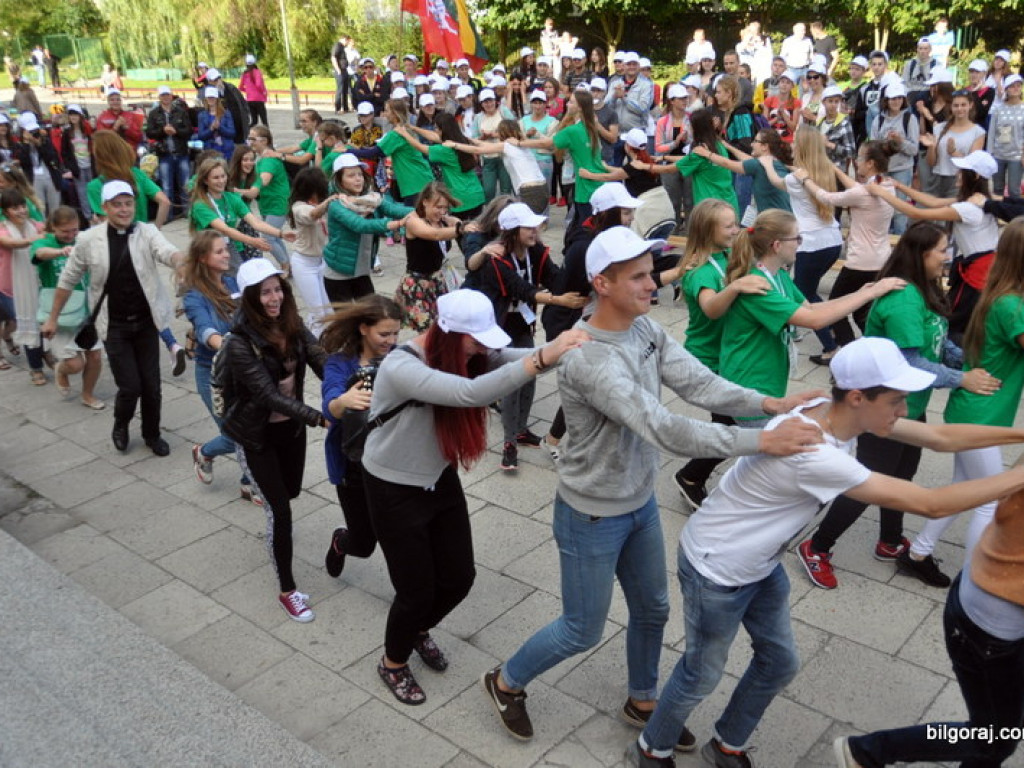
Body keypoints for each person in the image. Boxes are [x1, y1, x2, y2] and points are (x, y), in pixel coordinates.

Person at [483, 225, 828, 746]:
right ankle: (506, 681)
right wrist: (762, 441)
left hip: (638, 501)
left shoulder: (643, 327)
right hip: (591, 512)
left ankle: (642, 701)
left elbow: (697, 381)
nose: (654, 284)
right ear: (602, 283)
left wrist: (767, 403)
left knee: (653, 609)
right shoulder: (591, 358)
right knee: (582, 628)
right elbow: (664, 427)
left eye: (651, 273)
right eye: (639, 277)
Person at [627, 336, 1024, 768]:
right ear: (857, 397)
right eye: (896, 401)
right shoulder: (816, 453)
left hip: (759, 562)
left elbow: (940, 437)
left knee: (779, 663)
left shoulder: (832, 410)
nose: (904, 411)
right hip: (718, 569)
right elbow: (930, 503)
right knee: (701, 673)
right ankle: (652, 749)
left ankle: (726, 745)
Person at [362, 288, 588, 704]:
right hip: (393, 486)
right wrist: (544, 357)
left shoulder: (468, 354)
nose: (484, 348)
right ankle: (392, 662)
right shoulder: (401, 365)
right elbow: (470, 393)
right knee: (415, 591)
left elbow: (516, 358)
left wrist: (568, 347)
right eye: (476, 340)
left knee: (459, 578)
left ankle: (417, 630)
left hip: (438, 476)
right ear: (448, 334)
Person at [797, 223, 999, 591]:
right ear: (921, 255)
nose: (948, 257)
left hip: (907, 403)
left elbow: (934, 343)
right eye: (942, 250)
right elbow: (912, 363)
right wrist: (962, 379)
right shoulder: (904, 298)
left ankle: (890, 541)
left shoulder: (923, 289)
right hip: (878, 407)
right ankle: (817, 547)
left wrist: (964, 360)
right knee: (867, 482)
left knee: (902, 474)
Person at [42, 181, 185, 455]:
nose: (124, 209)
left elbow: (167, 251)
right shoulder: (89, 239)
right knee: (130, 386)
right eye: (117, 204)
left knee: (152, 386)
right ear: (105, 207)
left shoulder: (146, 232)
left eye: (128, 203)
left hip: (146, 322)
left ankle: (152, 434)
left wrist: (180, 262)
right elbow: (68, 279)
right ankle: (121, 424)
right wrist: (52, 318)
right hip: (114, 325)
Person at [220, 258, 327, 622]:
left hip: (290, 430)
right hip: (256, 436)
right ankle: (288, 590)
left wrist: (348, 384)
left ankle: (271, 509)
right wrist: (319, 417)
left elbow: (320, 359)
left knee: (290, 492)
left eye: (277, 289)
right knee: (280, 511)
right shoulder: (239, 342)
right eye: (265, 292)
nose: (274, 298)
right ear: (250, 297)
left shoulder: (292, 325)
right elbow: (267, 395)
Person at [718, 209, 903, 414]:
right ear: (777, 245)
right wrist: (869, 294)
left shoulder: (779, 275)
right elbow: (814, 320)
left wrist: (860, 294)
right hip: (748, 383)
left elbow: (811, 308)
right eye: (797, 238)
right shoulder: (758, 287)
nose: (800, 243)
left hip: (765, 379)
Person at [672, 199, 772, 509]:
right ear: (707, 230)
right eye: (728, 226)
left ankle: (694, 476)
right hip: (709, 361)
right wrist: (737, 287)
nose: (736, 229)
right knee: (732, 427)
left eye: (736, 223)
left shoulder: (728, 255)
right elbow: (712, 309)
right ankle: (690, 477)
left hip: (730, 356)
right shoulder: (699, 271)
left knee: (729, 426)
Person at [475, 203, 586, 470]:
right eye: (528, 227)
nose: (535, 231)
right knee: (513, 381)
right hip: (501, 324)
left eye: (535, 226)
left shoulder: (534, 250)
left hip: (523, 322)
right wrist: (559, 300)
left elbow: (555, 277)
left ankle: (522, 429)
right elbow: (522, 289)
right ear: (512, 231)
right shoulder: (496, 258)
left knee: (530, 375)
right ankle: (509, 443)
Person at [867, 150, 1000, 342]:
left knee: (955, 323)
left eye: (962, 170)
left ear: (975, 176)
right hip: (983, 269)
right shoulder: (977, 200)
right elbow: (933, 201)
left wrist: (881, 193)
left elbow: (916, 213)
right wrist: (899, 186)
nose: (957, 173)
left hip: (976, 274)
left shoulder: (969, 208)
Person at [319, 295, 402, 578]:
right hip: (353, 466)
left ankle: (408, 593)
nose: (391, 341)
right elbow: (329, 406)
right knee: (364, 543)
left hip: (391, 460)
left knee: (397, 534)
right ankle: (341, 542)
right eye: (384, 334)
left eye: (395, 333)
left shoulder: (400, 357)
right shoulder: (340, 364)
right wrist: (343, 401)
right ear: (364, 328)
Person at [182, 230, 261, 506]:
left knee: (254, 429)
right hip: (213, 373)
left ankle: (248, 482)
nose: (227, 255)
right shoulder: (193, 296)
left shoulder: (231, 282)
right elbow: (205, 329)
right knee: (235, 436)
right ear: (203, 258)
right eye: (219, 251)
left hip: (241, 370)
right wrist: (229, 345)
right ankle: (205, 452)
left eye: (226, 249)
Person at [799, 140, 896, 353]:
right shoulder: (887, 186)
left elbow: (826, 197)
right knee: (862, 312)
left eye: (860, 158)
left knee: (836, 309)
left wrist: (805, 179)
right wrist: (833, 168)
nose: (856, 162)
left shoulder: (863, 194)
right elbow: (857, 189)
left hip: (860, 262)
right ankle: (876, 352)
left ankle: (850, 352)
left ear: (870, 163)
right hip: (880, 259)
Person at [29, 206, 103, 404]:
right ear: (53, 227)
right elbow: (40, 253)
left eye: (74, 230)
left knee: (95, 356)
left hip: (87, 310)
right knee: (75, 364)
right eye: (65, 231)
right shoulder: (44, 242)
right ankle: (61, 369)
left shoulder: (83, 240)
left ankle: (87, 394)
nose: (70, 235)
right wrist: (60, 252)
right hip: (59, 314)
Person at [322, 154, 411, 303]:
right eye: (351, 175)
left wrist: (422, 210)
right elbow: (359, 225)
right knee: (348, 316)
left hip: (361, 269)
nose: (358, 179)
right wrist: (393, 224)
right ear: (339, 180)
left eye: (359, 174)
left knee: (371, 312)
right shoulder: (337, 205)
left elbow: (393, 209)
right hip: (339, 272)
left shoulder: (371, 199)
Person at [189, 157, 287, 272]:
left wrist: (281, 233)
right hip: (209, 252)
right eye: (216, 178)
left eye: (223, 176)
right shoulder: (200, 205)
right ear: (206, 181)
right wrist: (253, 241)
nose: (221, 181)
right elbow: (225, 230)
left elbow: (255, 222)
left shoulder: (231, 198)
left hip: (231, 247)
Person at [394, 182, 464, 330]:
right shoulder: (414, 221)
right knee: (428, 331)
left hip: (438, 280)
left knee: (445, 328)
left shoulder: (444, 221)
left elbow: (456, 223)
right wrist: (461, 229)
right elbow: (435, 234)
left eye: (445, 207)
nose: (442, 212)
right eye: (438, 207)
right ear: (425, 202)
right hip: (418, 285)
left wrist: (459, 223)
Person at [0, 189, 46, 385]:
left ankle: (43, 354)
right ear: (6, 211)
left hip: (38, 283)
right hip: (9, 288)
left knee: (40, 322)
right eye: (15, 208)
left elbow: (52, 231)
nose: (21, 211)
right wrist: (35, 239)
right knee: (26, 323)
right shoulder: (2, 230)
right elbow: (13, 243)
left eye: (22, 206)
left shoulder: (36, 225)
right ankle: (36, 368)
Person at [286, 167, 334, 337]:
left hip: (321, 262)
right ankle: (313, 345)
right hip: (304, 264)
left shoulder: (319, 204)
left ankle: (315, 339)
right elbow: (312, 215)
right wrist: (328, 201)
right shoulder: (299, 207)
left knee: (329, 312)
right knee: (318, 313)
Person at [869, 83, 919, 234]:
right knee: (881, 207)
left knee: (899, 210)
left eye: (899, 98)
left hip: (902, 169)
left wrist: (900, 141)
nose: (896, 101)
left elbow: (914, 149)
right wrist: (885, 144)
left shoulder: (909, 119)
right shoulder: (878, 120)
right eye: (892, 98)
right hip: (883, 169)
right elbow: (873, 146)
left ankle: (899, 239)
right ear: (886, 100)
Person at [921, 89, 986, 199]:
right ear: (951, 107)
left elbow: (972, 165)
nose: (959, 109)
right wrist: (931, 147)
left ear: (970, 105)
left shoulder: (978, 132)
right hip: (936, 179)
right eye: (956, 105)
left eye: (963, 105)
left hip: (959, 181)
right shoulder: (939, 128)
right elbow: (931, 162)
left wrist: (954, 152)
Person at [245, 125, 293, 275]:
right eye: (249, 138)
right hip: (269, 203)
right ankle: (287, 265)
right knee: (274, 236)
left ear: (264, 141)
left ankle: (285, 266)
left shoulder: (268, 160)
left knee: (268, 237)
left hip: (277, 203)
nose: (250, 142)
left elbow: (264, 180)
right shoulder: (264, 157)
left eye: (252, 139)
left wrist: (242, 190)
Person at [675, 109, 740, 216]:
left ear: (697, 128)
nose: (688, 128)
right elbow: (686, 160)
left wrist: (648, 166)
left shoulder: (700, 151)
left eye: (690, 125)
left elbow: (673, 167)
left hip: (710, 210)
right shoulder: (719, 145)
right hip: (729, 205)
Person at [146, 86, 192, 222]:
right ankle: (168, 215)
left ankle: (187, 212)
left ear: (171, 96)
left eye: (167, 95)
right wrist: (163, 131)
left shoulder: (181, 112)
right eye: (163, 95)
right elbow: (149, 132)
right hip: (164, 154)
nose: (165, 97)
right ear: (159, 97)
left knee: (185, 184)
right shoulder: (154, 113)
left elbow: (189, 131)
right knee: (166, 186)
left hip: (181, 152)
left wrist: (176, 131)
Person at [986, 73, 1024, 197]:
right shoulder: (998, 109)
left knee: (1014, 189)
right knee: (997, 188)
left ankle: (1015, 210)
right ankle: (998, 209)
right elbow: (992, 132)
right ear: (1006, 89)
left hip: (1017, 155)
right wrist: (989, 153)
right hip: (998, 154)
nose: (1016, 88)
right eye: (1012, 86)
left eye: (1018, 85)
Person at [197, 86, 237, 161]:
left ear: (217, 99)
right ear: (206, 99)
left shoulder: (226, 113)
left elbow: (232, 133)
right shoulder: (202, 115)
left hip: (226, 151)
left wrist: (220, 127)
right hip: (210, 152)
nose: (211, 99)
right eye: (209, 97)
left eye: (213, 97)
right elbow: (201, 136)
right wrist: (211, 129)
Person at [239, 55, 269, 127]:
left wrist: (248, 91)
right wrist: (263, 92)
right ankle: (267, 132)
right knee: (264, 121)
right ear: (254, 62)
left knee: (254, 121)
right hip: (259, 99)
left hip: (250, 100)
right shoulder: (257, 72)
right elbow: (259, 85)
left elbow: (240, 87)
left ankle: (248, 132)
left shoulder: (244, 74)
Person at [332, 35, 353, 113]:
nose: (348, 43)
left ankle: (345, 108)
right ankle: (337, 109)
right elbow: (333, 57)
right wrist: (338, 69)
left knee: (345, 89)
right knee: (340, 90)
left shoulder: (342, 47)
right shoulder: (337, 46)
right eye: (347, 41)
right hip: (339, 70)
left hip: (344, 70)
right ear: (345, 39)